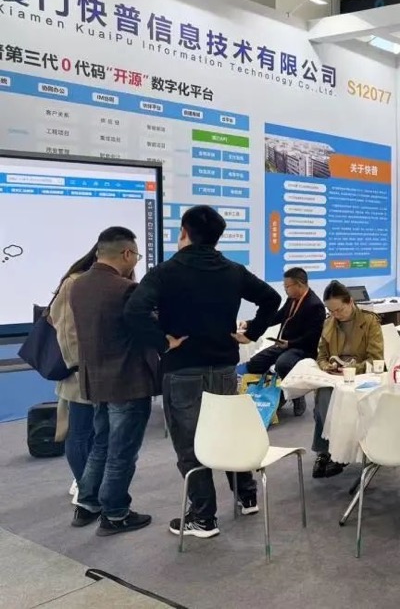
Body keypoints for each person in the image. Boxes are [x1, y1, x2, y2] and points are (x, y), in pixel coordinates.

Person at [124, 205, 281, 539]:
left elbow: (134, 310)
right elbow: (271, 298)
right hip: (223, 366)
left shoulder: (165, 272)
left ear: (184, 232)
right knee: (228, 432)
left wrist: (162, 341)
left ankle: (204, 517)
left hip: (183, 369)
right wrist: (253, 332)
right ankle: (247, 496)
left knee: (190, 445)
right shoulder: (233, 270)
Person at [68, 227, 159, 536]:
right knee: (122, 452)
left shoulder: (78, 285)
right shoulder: (126, 289)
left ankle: (87, 503)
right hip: (128, 382)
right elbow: (148, 329)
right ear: (127, 253)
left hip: (97, 382)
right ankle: (116, 513)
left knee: (101, 445)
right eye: (137, 256)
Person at [312, 281, 384, 479]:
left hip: (362, 376)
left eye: (339, 310)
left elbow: (376, 359)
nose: (336, 314)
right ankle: (327, 450)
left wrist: (353, 369)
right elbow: (321, 355)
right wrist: (326, 366)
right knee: (323, 394)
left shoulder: (369, 321)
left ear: (350, 302)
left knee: (336, 396)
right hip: (336, 376)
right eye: (331, 311)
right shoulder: (329, 323)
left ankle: (338, 452)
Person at [50, 244, 99, 504]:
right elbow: (66, 330)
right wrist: (79, 366)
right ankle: (84, 487)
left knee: (95, 433)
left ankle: (87, 481)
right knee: (80, 432)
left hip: (101, 371)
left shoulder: (111, 282)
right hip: (79, 372)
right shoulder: (74, 283)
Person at [244, 267, 326, 416]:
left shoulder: (315, 305)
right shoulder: (291, 300)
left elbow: (312, 337)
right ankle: (278, 392)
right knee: (255, 363)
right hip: (283, 345)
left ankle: (297, 395)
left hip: (302, 348)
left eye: (287, 286)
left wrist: (290, 343)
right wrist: (251, 324)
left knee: (283, 364)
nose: (285, 289)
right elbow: (276, 317)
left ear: (299, 285)